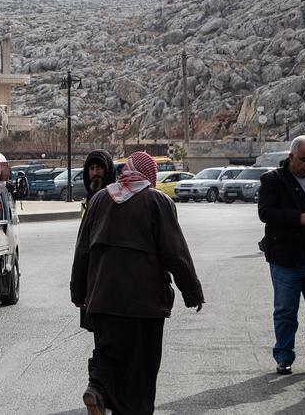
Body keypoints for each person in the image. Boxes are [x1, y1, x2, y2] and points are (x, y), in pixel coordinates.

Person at [70, 151, 204, 415]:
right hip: (144, 304)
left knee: (107, 353)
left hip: (103, 298)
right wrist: (192, 292)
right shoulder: (157, 201)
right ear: (150, 175)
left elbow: (82, 250)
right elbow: (175, 253)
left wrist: (79, 292)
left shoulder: (99, 199)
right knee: (140, 368)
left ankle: (97, 388)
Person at [257, 135, 305, 375]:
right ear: (291, 156)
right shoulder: (273, 180)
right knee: (286, 311)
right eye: (303, 160)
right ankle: (284, 356)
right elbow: (266, 213)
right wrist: (299, 219)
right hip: (286, 259)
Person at [79, 150, 117, 330]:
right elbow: (82, 247)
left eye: (100, 168)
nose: (96, 172)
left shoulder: (117, 199)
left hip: (111, 280)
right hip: (92, 278)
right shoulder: (88, 201)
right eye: (92, 168)